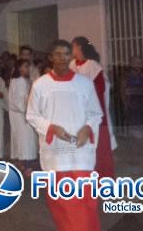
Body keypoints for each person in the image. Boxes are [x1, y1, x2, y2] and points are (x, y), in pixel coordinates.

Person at [27, 40, 103, 231]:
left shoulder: (84, 83)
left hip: (81, 153)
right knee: (63, 205)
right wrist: (51, 127)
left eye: (67, 54)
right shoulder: (40, 85)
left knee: (86, 202)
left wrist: (87, 128)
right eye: (58, 54)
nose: (63, 58)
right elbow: (32, 115)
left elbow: (96, 113)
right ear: (50, 57)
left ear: (72, 57)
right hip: (56, 154)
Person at [70, 36, 116, 178]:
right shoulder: (71, 64)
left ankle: (100, 176)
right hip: (75, 112)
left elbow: (100, 90)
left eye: (73, 47)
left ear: (79, 47)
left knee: (96, 144)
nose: (72, 50)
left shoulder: (93, 66)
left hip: (91, 111)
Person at [8, 59, 38, 174]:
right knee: (24, 141)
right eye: (26, 66)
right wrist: (26, 109)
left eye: (28, 66)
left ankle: (24, 163)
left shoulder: (26, 80)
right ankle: (25, 164)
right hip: (21, 115)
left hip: (27, 113)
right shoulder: (17, 81)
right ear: (20, 68)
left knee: (27, 140)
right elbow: (18, 100)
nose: (28, 69)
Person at [121, 56, 143, 139]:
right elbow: (122, 90)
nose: (138, 65)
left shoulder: (141, 76)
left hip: (141, 103)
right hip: (131, 102)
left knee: (140, 122)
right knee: (134, 124)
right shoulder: (126, 75)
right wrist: (125, 103)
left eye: (140, 63)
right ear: (131, 64)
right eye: (136, 63)